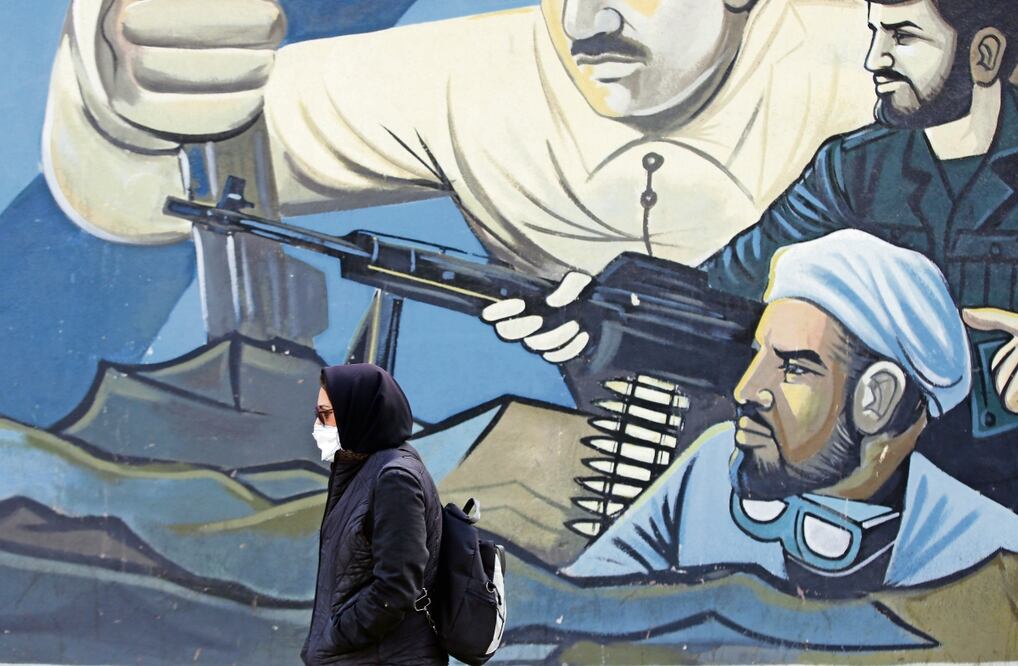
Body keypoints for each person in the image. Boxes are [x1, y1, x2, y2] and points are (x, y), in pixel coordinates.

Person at [46, 0, 874, 360]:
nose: (586, 23)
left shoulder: (887, 62)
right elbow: (153, 185)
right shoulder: (471, 82)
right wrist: (112, 92)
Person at [563, 230, 1018, 596]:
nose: (746, 390)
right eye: (759, 355)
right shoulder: (710, 469)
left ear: (876, 399)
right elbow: (584, 604)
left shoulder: (993, 548)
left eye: (793, 368)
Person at [700, 0, 1018, 507]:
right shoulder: (852, 169)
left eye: (904, 37)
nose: (875, 59)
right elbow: (725, 286)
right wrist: (605, 304)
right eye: (877, 33)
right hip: (871, 488)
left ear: (984, 54)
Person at [302, 363, 447, 665]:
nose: (318, 425)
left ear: (358, 412)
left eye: (326, 415)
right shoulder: (362, 469)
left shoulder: (395, 478)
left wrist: (338, 636)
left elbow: (397, 586)